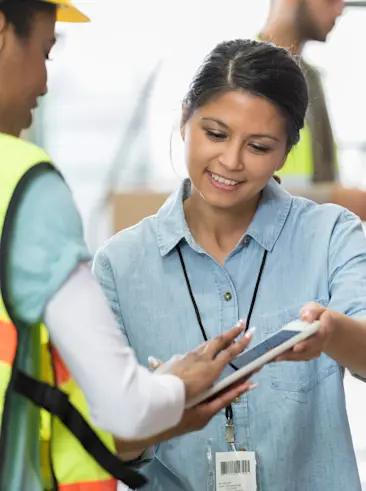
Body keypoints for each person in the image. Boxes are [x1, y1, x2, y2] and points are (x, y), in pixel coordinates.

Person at [0, 1, 256, 490]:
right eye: (45, 52)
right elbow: (125, 405)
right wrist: (179, 385)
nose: (44, 83)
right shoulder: (19, 181)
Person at [93, 38, 366, 491]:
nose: (231, 161)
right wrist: (163, 403)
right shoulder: (119, 266)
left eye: (258, 146)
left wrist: (332, 333)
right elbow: (102, 443)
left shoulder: (332, 234)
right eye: (215, 134)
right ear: (184, 119)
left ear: (285, 151)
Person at [260, 0, 366, 220]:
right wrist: (334, 199)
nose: (340, 10)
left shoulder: (311, 78)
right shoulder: (243, 76)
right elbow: (235, 191)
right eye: (330, 0)